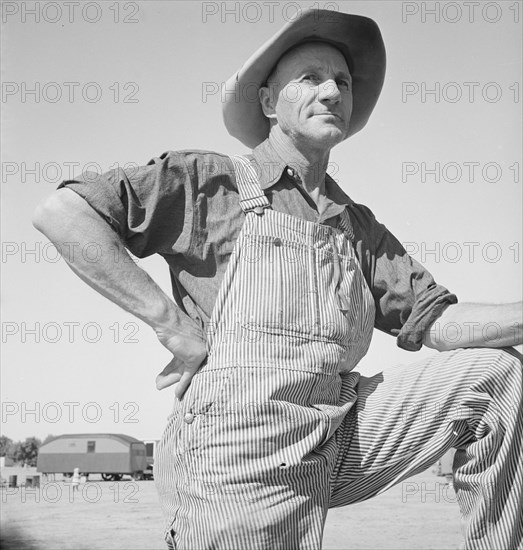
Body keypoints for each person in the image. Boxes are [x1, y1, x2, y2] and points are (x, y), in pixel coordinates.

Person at [32, 9, 522, 550]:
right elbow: (64, 213)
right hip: (238, 447)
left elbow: (439, 322)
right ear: (268, 102)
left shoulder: (357, 225)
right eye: (310, 77)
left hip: (339, 433)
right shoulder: (208, 182)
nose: (332, 90)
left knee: (498, 375)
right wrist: (168, 323)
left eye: (342, 80)